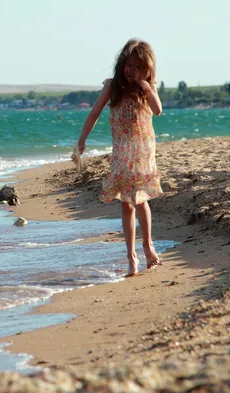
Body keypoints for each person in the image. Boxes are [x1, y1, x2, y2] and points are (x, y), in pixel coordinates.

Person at [76, 38, 163, 277]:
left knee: (141, 200)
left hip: (143, 151)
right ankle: (131, 255)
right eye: (128, 66)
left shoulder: (147, 88)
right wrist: (82, 140)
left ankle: (148, 246)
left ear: (146, 70)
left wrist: (146, 86)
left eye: (137, 68)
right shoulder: (113, 86)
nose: (131, 71)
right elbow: (94, 114)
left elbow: (158, 110)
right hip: (122, 152)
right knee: (126, 202)